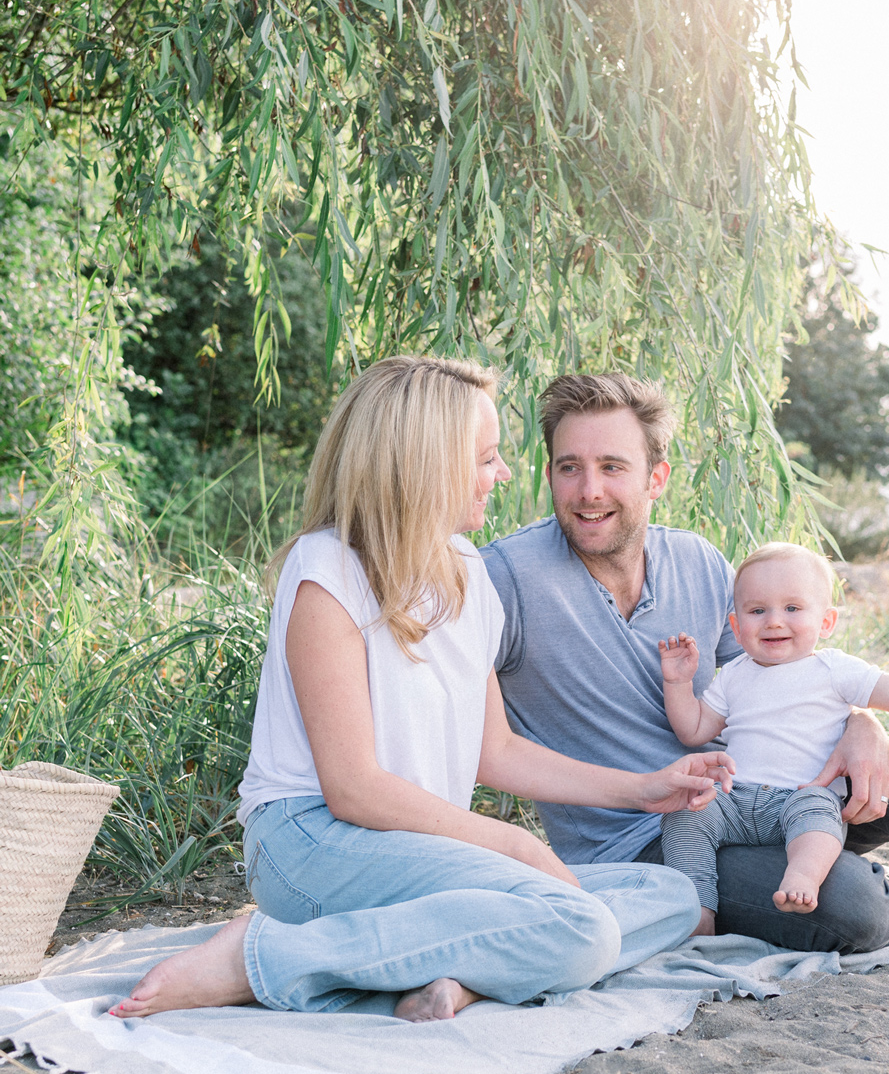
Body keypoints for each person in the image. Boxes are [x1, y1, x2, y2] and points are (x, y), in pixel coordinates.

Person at [109, 357, 728, 1023]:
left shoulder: (464, 568)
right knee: (583, 929)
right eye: (486, 457)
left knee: (667, 892)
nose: (506, 473)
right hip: (313, 843)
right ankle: (261, 956)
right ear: (427, 462)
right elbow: (354, 788)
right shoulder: (328, 572)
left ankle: (461, 973)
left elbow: (497, 751)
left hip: (424, 849)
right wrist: (514, 843)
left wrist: (643, 787)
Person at [481, 372, 889, 954]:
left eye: (612, 466)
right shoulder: (504, 579)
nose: (589, 490)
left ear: (655, 477)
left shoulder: (698, 560)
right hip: (642, 845)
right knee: (852, 908)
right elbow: (486, 751)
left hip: (772, 792)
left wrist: (859, 725)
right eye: (569, 467)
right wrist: (640, 792)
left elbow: (776, 686)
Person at [659, 541, 889, 918]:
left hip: (801, 795)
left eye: (792, 608)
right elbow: (692, 731)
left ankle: (803, 878)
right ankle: (697, 913)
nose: (774, 620)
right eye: (757, 610)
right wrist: (678, 684)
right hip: (734, 799)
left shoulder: (833, 670)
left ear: (826, 622)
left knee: (819, 820)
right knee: (684, 815)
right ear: (736, 626)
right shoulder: (734, 675)